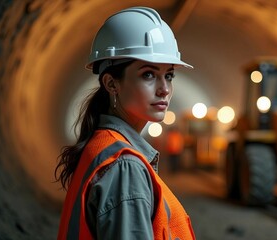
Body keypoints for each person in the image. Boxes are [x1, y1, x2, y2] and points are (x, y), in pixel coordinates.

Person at [55, 7, 195, 240]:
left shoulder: (105, 147)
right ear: (111, 84)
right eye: (148, 74)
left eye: (169, 75)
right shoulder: (123, 167)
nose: (165, 89)